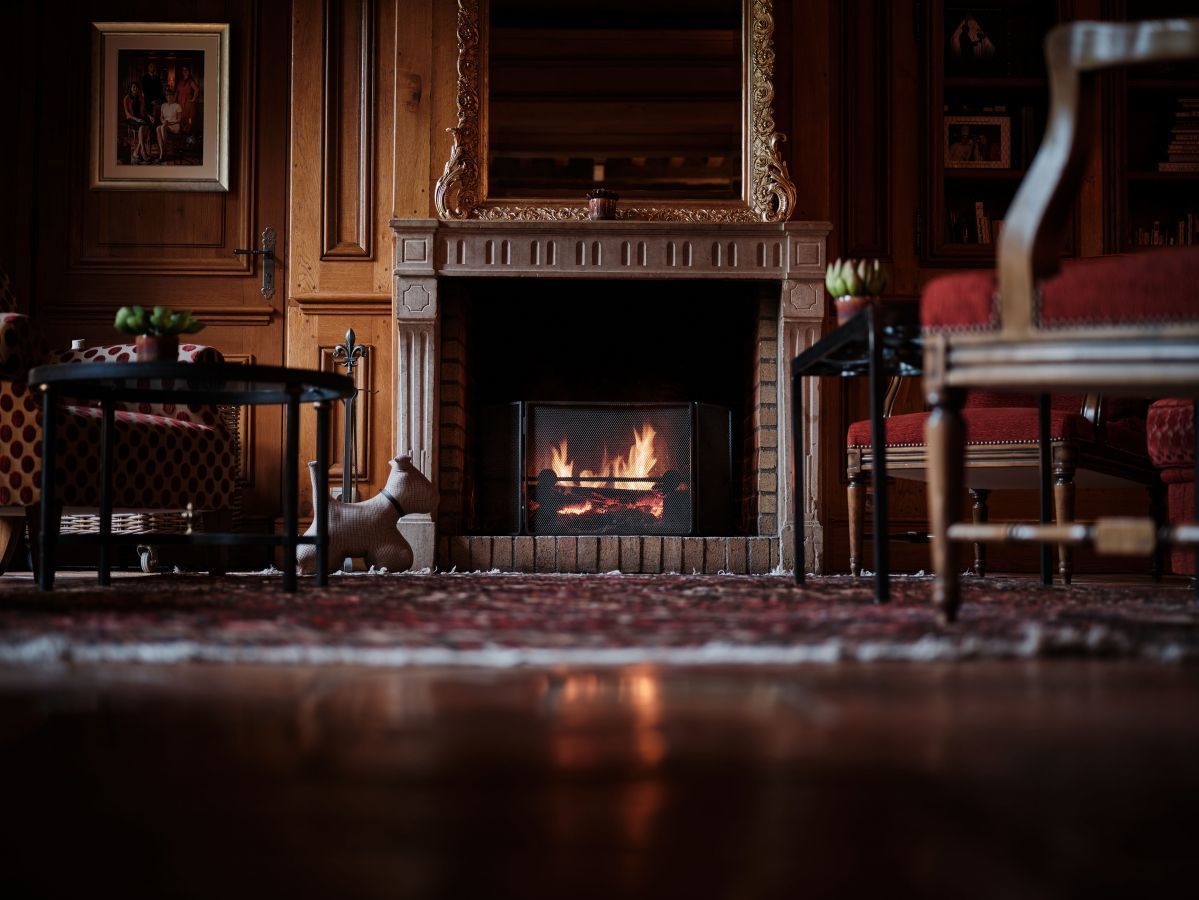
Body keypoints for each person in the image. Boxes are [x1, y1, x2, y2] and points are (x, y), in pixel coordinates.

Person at [122, 82, 150, 164]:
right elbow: (127, 113)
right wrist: (137, 119)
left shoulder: (140, 97)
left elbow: (144, 111)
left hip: (140, 117)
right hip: (131, 118)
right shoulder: (127, 98)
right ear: (131, 88)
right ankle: (143, 151)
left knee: (147, 127)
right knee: (142, 126)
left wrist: (150, 116)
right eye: (134, 87)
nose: (135, 89)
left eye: (137, 87)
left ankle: (136, 151)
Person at [155, 90, 183, 163]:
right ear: (166, 97)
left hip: (174, 125)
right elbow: (161, 117)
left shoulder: (177, 106)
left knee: (162, 127)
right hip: (165, 125)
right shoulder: (163, 105)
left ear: (173, 97)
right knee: (158, 128)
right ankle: (162, 152)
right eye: (167, 96)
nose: (169, 97)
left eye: (170, 95)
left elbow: (179, 120)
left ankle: (164, 150)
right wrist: (163, 122)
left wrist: (169, 123)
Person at [177, 64, 202, 136]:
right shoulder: (181, 81)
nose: (185, 71)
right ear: (182, 72)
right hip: (180, 102)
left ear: (189, 71)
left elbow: (197, 89)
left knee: (190, 117)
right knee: (182, 117)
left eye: (186, 70)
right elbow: (177, 92)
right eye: (183, 70)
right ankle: (183, 132)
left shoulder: (190, 81)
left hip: (187, 102)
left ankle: (188, 132)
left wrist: (193, 99)